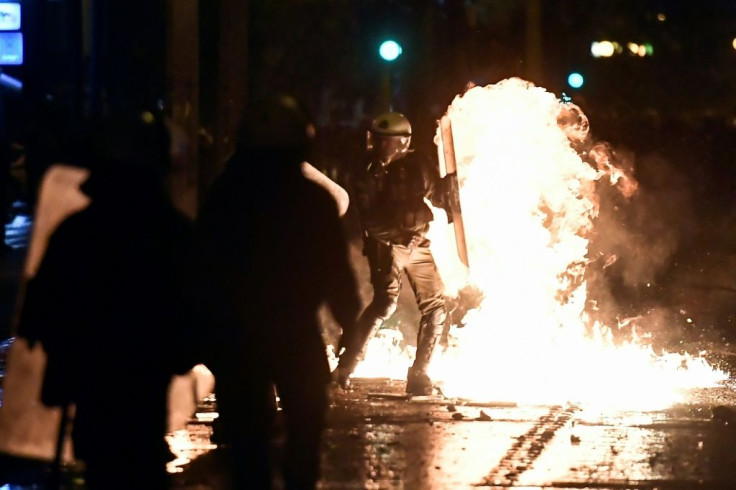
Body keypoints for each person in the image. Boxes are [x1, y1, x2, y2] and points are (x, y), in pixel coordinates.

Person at [16, 110, 207, 490]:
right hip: (145, 383)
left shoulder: (76, 232)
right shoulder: (173, 233)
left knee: (103, 465)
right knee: (139, 462)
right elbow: (198, 310)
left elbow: (40, 306)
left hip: (92, 385)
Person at [197, 94, 361, 489]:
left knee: (249, 446)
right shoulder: (312, 198)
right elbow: (337, 273)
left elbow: (202, 268)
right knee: (304, 433)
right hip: (294, 336)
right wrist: (349, 327)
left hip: (239, 339)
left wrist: (203, 334)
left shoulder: (225, 195)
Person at [336, 111, 452, 396]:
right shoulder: (366, 171)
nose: (377, 145)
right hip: (386, 245)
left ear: (401, 143)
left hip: (417, 243)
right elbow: (370, 218)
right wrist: (398, 237)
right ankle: (345, 367)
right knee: (385, 302)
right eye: (376, 140)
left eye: (384, 141)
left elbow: (436, 195)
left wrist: (451, 189)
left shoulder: (417, 165)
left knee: (435, 306)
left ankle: (420, 373)